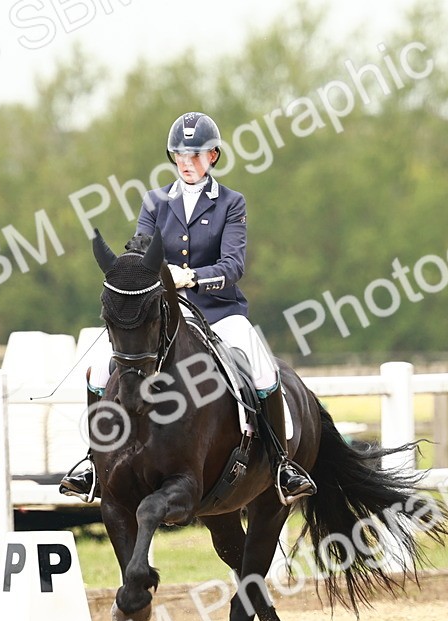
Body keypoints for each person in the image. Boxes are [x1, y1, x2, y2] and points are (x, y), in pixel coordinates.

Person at [60, 111, 316, 506]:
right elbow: (140, 250)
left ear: (213, 156)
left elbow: (233, 266)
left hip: (219, 311)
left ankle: (282, 465)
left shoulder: (231, 203)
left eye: (195, 155)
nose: (187, 162)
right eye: (180, 154)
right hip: (164, 314)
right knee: (96, 365)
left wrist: (191, 278)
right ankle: (94, 463)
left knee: (263, 369)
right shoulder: (155, 201)